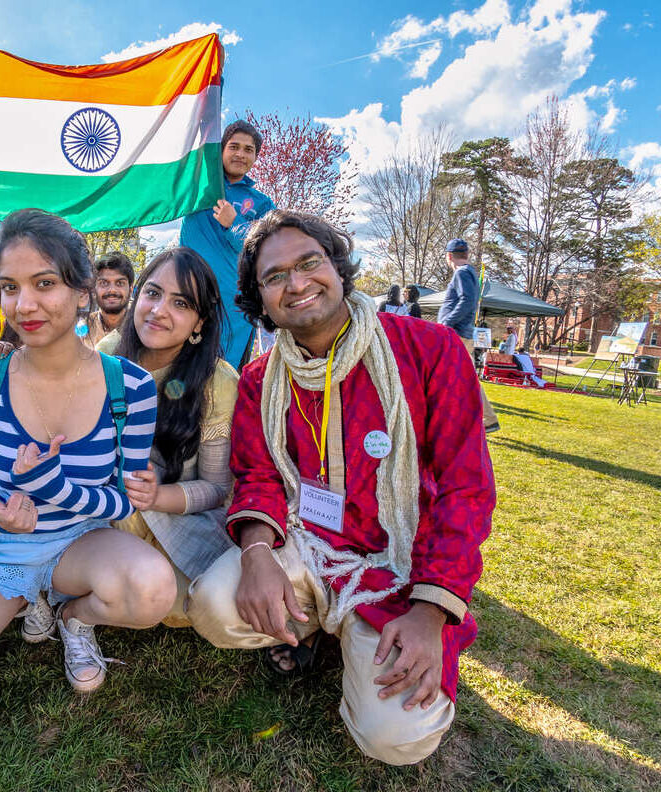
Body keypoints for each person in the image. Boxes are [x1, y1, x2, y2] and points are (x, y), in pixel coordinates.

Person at [186, 210, 495, 766]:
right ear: (260, 299)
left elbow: (464, 489)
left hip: (398, 566)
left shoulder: (431, 350)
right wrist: (257, 552)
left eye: (309, 263)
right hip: (306, 544)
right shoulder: (260, 380)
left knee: (396, 740)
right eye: (274, 276)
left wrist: (430, 612)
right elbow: (257, 475)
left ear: (338, 265)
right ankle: (313, 628)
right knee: (212, 604)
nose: (297, 283)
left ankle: (357, 633)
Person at [0, 209, 173, 744]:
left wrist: (49, 488)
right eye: (9, 287)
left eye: (44, 283)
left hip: (80, 545)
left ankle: (71, 616)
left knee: (151, 590)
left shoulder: (132, 388)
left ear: (82, 290)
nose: (24, 305)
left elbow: (125, 501)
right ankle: (22, 602)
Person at [97, 248, 238, 627]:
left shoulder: (218, 384)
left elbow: (216, 488)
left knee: (176, 603)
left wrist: (157, 496)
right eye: (153, 293)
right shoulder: (107, 356)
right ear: (137, 296)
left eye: (180, 303)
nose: (159, 310)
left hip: (180, 515)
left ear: (198, 323)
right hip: (108, 509)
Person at [179, 120, 276, 369]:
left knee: (223, 380)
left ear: (256, 156)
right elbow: (200, 124)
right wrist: (211, 84)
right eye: (234, 146)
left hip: (234, 312)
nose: (240, 154)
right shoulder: (199, 185)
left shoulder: (262, 203)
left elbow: (267, 251)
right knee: (179, 374)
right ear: (220, 150)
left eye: (248, 149)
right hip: (189, 295)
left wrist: (235, 223)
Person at [436, 239, 499, 433]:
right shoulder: (467, 273)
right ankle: (484, 419)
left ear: (449, 256)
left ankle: (484, 419)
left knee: (456, 378)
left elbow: (467, 301)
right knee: (462, 378)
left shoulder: (462, 273)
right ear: (466, 254)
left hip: (457, 334)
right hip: (460, 333)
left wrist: (446, 323)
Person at [85, 251, 134, 347]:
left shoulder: (141, 329)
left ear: (131, 289)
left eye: (120, 283)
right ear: (93, 289)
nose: (112, 290)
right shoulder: (82, 330)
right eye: (104, 283)